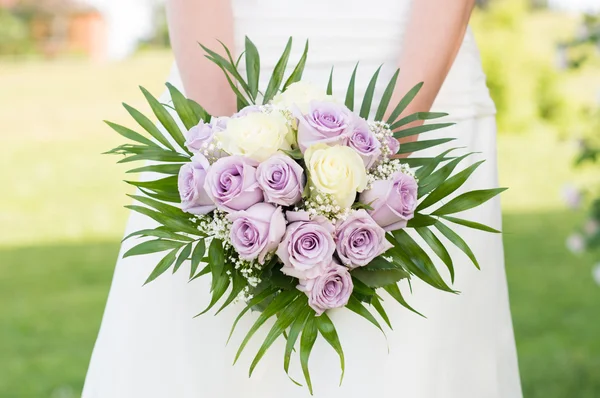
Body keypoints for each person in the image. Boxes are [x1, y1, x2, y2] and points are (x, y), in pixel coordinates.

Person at [83, 0, 523, 397]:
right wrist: (231, 163)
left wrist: (383, 159)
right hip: (231, 67)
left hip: (423, 76)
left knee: (418, 364)